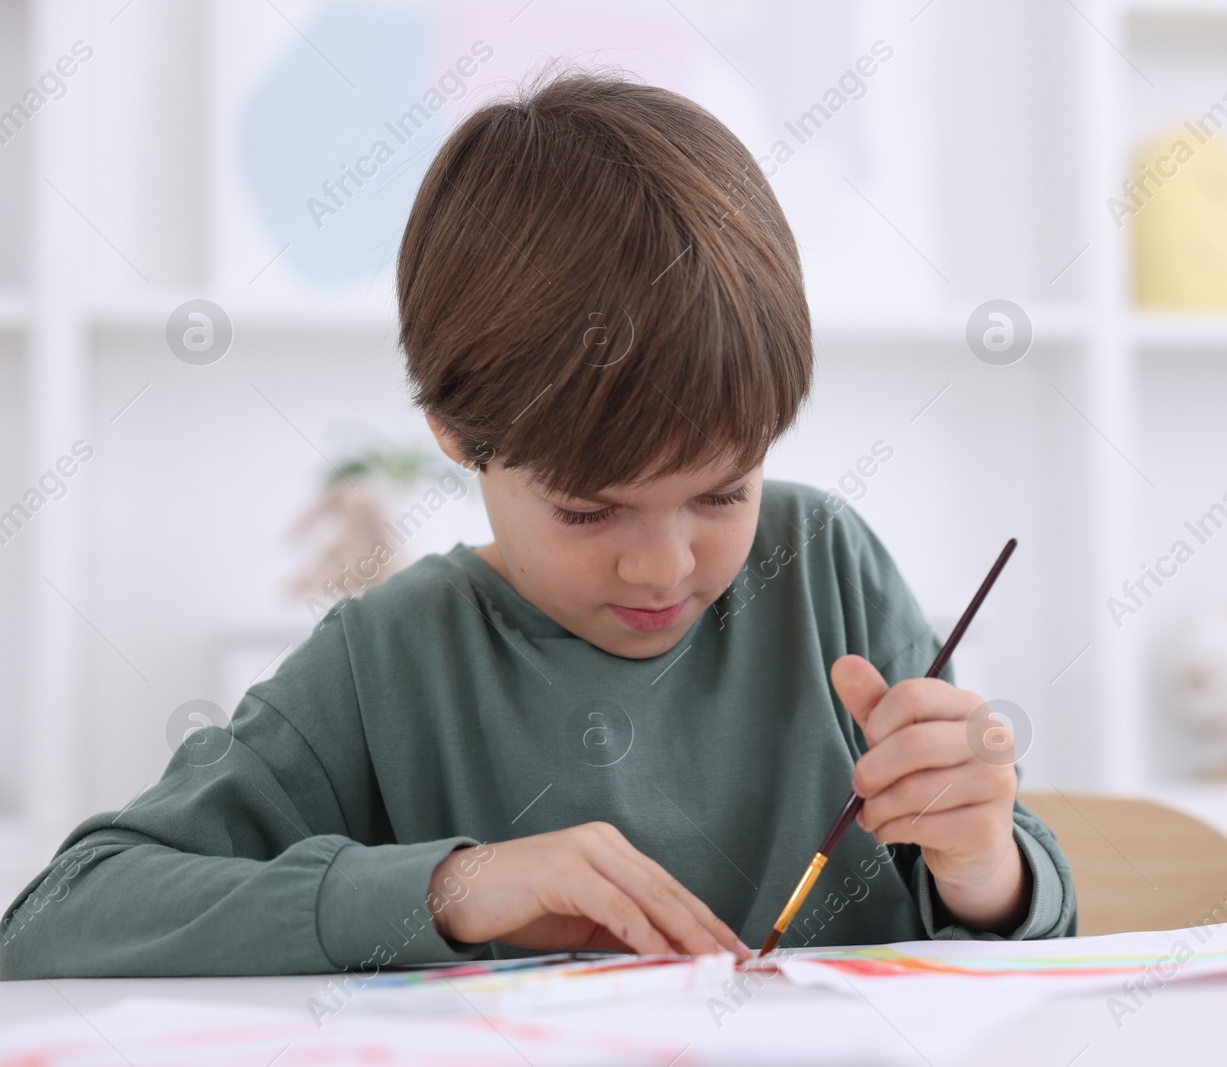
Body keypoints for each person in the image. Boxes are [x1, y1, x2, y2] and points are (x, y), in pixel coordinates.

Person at [0, 73, 1074, 979]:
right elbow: (55, 922)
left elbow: (1019, 930)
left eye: (722, 491)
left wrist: (985, 864)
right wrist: (450, 886)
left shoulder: (824, 567)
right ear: (457, 436)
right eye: (588, 507)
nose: (665, 563)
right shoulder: (389, 661)